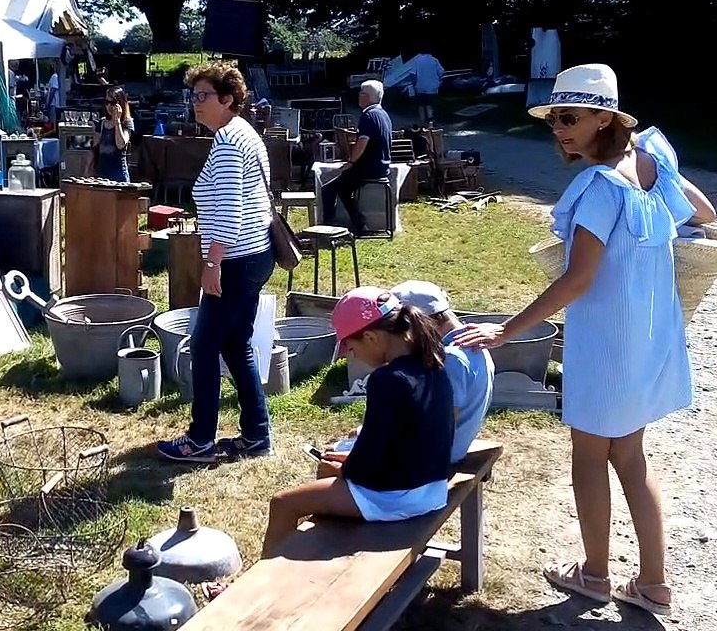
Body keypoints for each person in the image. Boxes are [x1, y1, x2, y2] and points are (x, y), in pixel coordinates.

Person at [455, 63, 717, 617]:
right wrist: (652, 158)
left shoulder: (598, 185)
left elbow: (578, 279)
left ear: (605, 117)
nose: (560, 130)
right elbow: (706, 212)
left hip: (606, 345)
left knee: (590, 458)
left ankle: (596, 575)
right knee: (632, 457)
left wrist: (506, 331)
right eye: (554, 119)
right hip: (649, 338)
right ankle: (653, 582)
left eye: (570, 118)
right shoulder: (647, 164)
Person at [262, 287, 454, 557]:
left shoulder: (387, 380)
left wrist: (347, 467)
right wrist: (349, 465)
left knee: (282, 503)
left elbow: (371, 454)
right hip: (432, 489)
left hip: (397, 498)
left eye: (351, 348)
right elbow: (400, 440)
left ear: (371, 337)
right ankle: (327, 547)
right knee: (330, 473)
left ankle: (266, 587)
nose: (351, 355)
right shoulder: (433, 363)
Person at [157, 61, 275, 463]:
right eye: (193, 96)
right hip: (255, 255)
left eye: (203, 96)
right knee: (235, 343)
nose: (196, 104)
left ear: (228, 100)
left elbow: (229, 209)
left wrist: (213, 263)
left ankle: (201, 439)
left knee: (205, 346)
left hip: (237, 258)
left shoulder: (229, 141)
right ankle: (256, 435)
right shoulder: (245, 135)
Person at [390, 280, 494, 463]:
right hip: (453, 447)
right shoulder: (473, 343)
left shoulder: (452, 358)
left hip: (438, 457)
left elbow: (440, 426)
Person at [322, 80, 392, 233]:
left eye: (360, 93)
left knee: (328, 189)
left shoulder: (369, 115)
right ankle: (360, 224)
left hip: (368, 168)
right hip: (382, 166)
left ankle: (329, 227)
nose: (358, 96)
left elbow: (362, 142)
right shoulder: (383, 114)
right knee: (343, 188)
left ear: (366, 96)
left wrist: (351, 162)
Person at [95, 86, 134, 183]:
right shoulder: (102, 122)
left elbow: (120, 144)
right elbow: (94, 147)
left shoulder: (127, 122)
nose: (109, 106)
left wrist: (117, 121)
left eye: (112, 103)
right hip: (101, 175)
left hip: (118, 175)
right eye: (107, 102)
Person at [408, 50, 446, 126]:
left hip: (420, 88)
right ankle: (430, 124)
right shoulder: (434, 60)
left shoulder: (417, 61)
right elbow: (442, 72)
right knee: (429, 105)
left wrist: (414, 83)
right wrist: (438, 82)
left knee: (421, 106)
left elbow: (412, 74)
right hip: (432, 88)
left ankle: (422, 125)